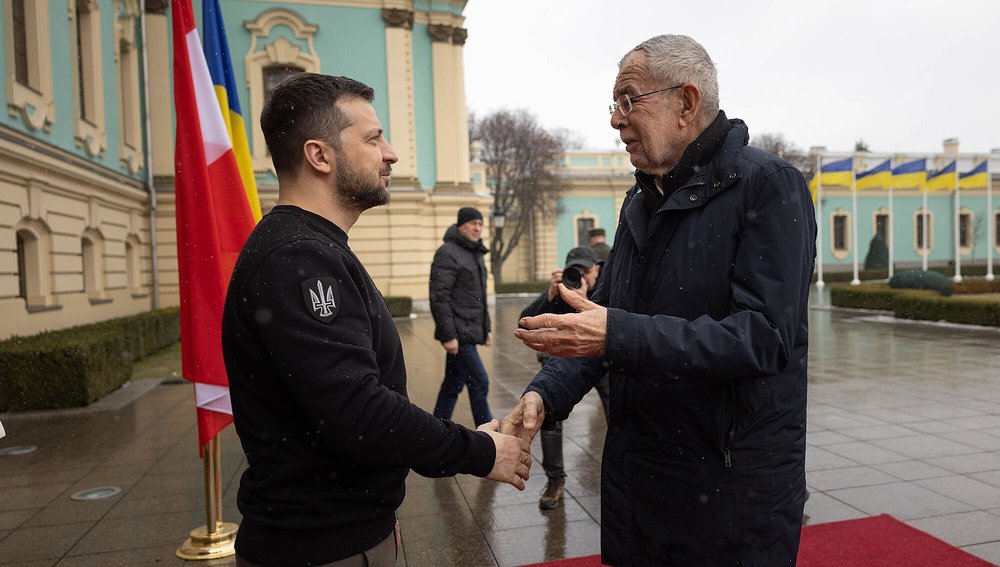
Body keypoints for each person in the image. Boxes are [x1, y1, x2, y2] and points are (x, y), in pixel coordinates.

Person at [503, 35, 817, 565]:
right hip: (639, 485)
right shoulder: (640, 200)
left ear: (686, 103)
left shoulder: (769, 185)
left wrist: (618, 333)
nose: (615, 120)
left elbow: (765, 338)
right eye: (614, 104)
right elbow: (602, 321)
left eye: (628, 100)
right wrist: (543, 395)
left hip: (729, 498)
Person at [221, 73, 530, 567]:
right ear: (319, 156)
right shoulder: (297, 256)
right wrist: (480, 452)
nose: (391, 154)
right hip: (320, 547)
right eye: (373, 138)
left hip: (341, 533)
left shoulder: (311, 248)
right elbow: (359, 413)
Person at [520, 246, 609, 510]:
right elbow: (524, 321)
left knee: (619, 410)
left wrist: (585, 304)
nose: (579, 276)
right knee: (549, 419)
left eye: (585, 271)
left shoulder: (611, 286)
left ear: (596, 270)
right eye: (574, 271)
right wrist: (550, 297)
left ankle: (627, 473)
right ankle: (555, 479)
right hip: (564, 365)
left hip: (605, 363)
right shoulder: (561, 289)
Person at [429, 207, 494, 426]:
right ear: (461, 226)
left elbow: (479, 297)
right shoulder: (448, 252)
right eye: (473, 223)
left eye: (480, 223)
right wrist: (448, 335)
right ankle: (488, 434)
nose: (477, 228)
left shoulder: (474, 252)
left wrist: (487, 330)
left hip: (468, 330)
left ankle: (436, 427)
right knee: (480, 381)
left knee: (453, 384)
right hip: (459, 332)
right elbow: (439, 296)